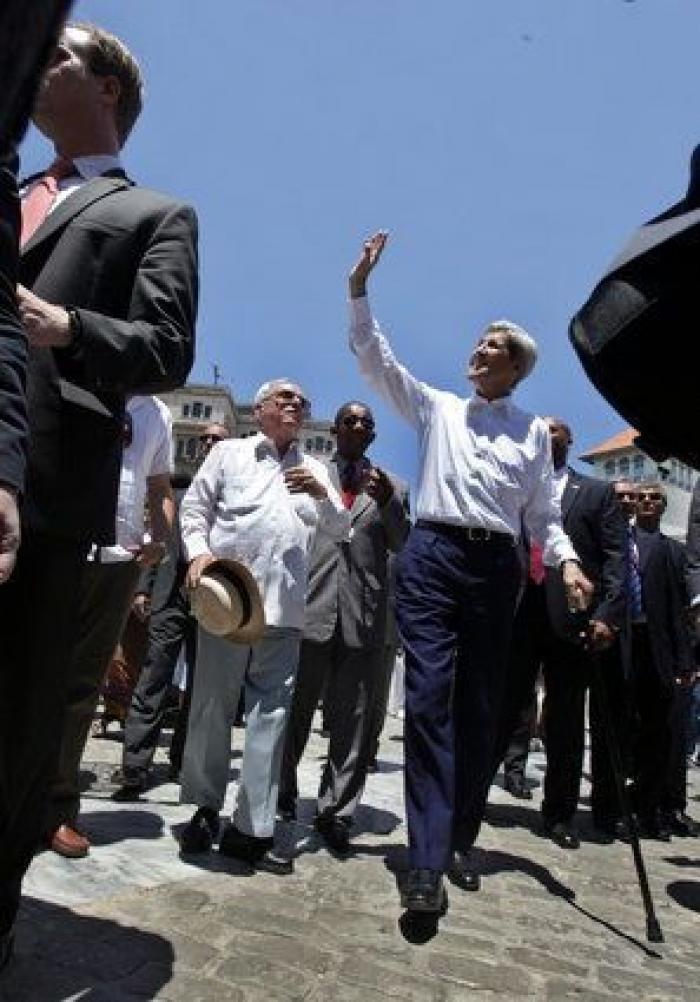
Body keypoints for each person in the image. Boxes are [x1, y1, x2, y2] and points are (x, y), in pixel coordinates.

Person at [0, 20, 197, 952]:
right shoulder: (8, 188)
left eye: (60, 54)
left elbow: (167, 350)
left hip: (46, 493)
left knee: (18, 717)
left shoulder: (153, 214)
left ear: (108, 87)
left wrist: (69, 325)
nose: (34, 63)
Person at [347, 232, 592, 914]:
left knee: (480, 709)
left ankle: (460, 835)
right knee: (428, 698)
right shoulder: (438, 407)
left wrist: (569, 564)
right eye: (479, 343)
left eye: (493, 347)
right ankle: (425, 861)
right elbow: (376, 360)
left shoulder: (533, 432)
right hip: (431, 556)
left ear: (515, 369)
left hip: (496, 568)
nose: (478, 351)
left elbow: (543, 514)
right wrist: (359, 290)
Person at [178, 380, 349, 874]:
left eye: (302, 400)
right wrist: (199, 553)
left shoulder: (316, 467)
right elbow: (195, 509)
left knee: (270, 719)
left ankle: (251, 826)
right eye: (285, 397)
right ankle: (204, 808)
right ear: (260, 409)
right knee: (211, 705)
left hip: (285, 609)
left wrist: (323, 496)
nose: (296, 403)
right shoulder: (229, 453)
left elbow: (341, 530)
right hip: (228, 600)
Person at [279, 401, 410, 853]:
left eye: (366, 423)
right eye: (349, 420)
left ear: (373, 435)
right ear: (334, 430)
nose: (357, 426)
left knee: (354, 723)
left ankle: (336, 810)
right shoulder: (308, 474)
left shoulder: (393, 486)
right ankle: (282, 792)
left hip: (364, 618)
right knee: (292, 713)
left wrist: (389, 503)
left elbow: (403, 542)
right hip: (309, 609)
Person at [45, 394, 174, 856]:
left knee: (83, 688)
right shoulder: (74, 383)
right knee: (30, 675)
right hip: (58, 548)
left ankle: (58, 808)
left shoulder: (157, 413)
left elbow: (160, 486)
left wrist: (160, 539)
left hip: (120, 561)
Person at [113, 423, 229, 797]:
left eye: (218, 439)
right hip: (170, 596)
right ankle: (134, 767)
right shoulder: (175, 491)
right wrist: (143, 589)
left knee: (199, 685)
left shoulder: (233, 497)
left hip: (211, 600)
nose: (209, 443)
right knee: (154, 677)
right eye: (205, 439)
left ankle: (183, 762)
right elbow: (157, 539)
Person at [533, 421, 628, 848]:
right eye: (541, 428)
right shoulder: (517, 487)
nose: (548, 433)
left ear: (570, 441)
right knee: (498, 711)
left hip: (572, 622)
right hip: (517, 614)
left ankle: (559, 812)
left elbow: (615, 559)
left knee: (565, 721)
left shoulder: (595, 493)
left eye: (557, 429)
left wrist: (607, 614)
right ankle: (469, 805)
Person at [627, 482, 697, 837]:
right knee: (628, 729)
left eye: (654, 498)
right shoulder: (621, 544)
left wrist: (685, 661)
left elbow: (679, 612)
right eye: (641, 498)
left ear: (663, 505)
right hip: (625, 647)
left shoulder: (674, 552)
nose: (647, 502)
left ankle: (655, 806)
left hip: (660, 652)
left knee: (663, 733)